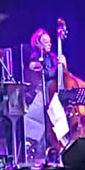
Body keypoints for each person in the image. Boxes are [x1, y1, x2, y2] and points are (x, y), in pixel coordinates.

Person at [22, 28, 67, 161]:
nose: (49, 44)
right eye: (46, 42)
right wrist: (58, 67)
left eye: (50, 42)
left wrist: (64, 65)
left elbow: (63, 75)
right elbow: (46, 73)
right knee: (42, 127)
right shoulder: (35, 58)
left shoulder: (53, 57)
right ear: (38, 43)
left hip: (55, 96)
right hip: (41, 98)